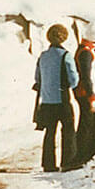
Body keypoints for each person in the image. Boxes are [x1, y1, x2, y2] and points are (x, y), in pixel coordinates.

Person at [34, 23, 80, 172]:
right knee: (68, 130)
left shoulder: (43, 56)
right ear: (64, 38)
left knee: (49, 132)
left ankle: (48, 164)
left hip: (46, 100)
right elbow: (74, 79)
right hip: (62, 99)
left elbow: (37, 77)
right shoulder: (66, 56)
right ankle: (68, 161)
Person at [73, 34, 95, 165]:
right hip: (86, 93)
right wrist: (91, 97)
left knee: (91, 122)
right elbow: (86, 76)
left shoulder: (88, 50)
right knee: (93, 123)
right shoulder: (85, 53)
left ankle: (89, 154)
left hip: (87, 92)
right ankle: (88, 155)